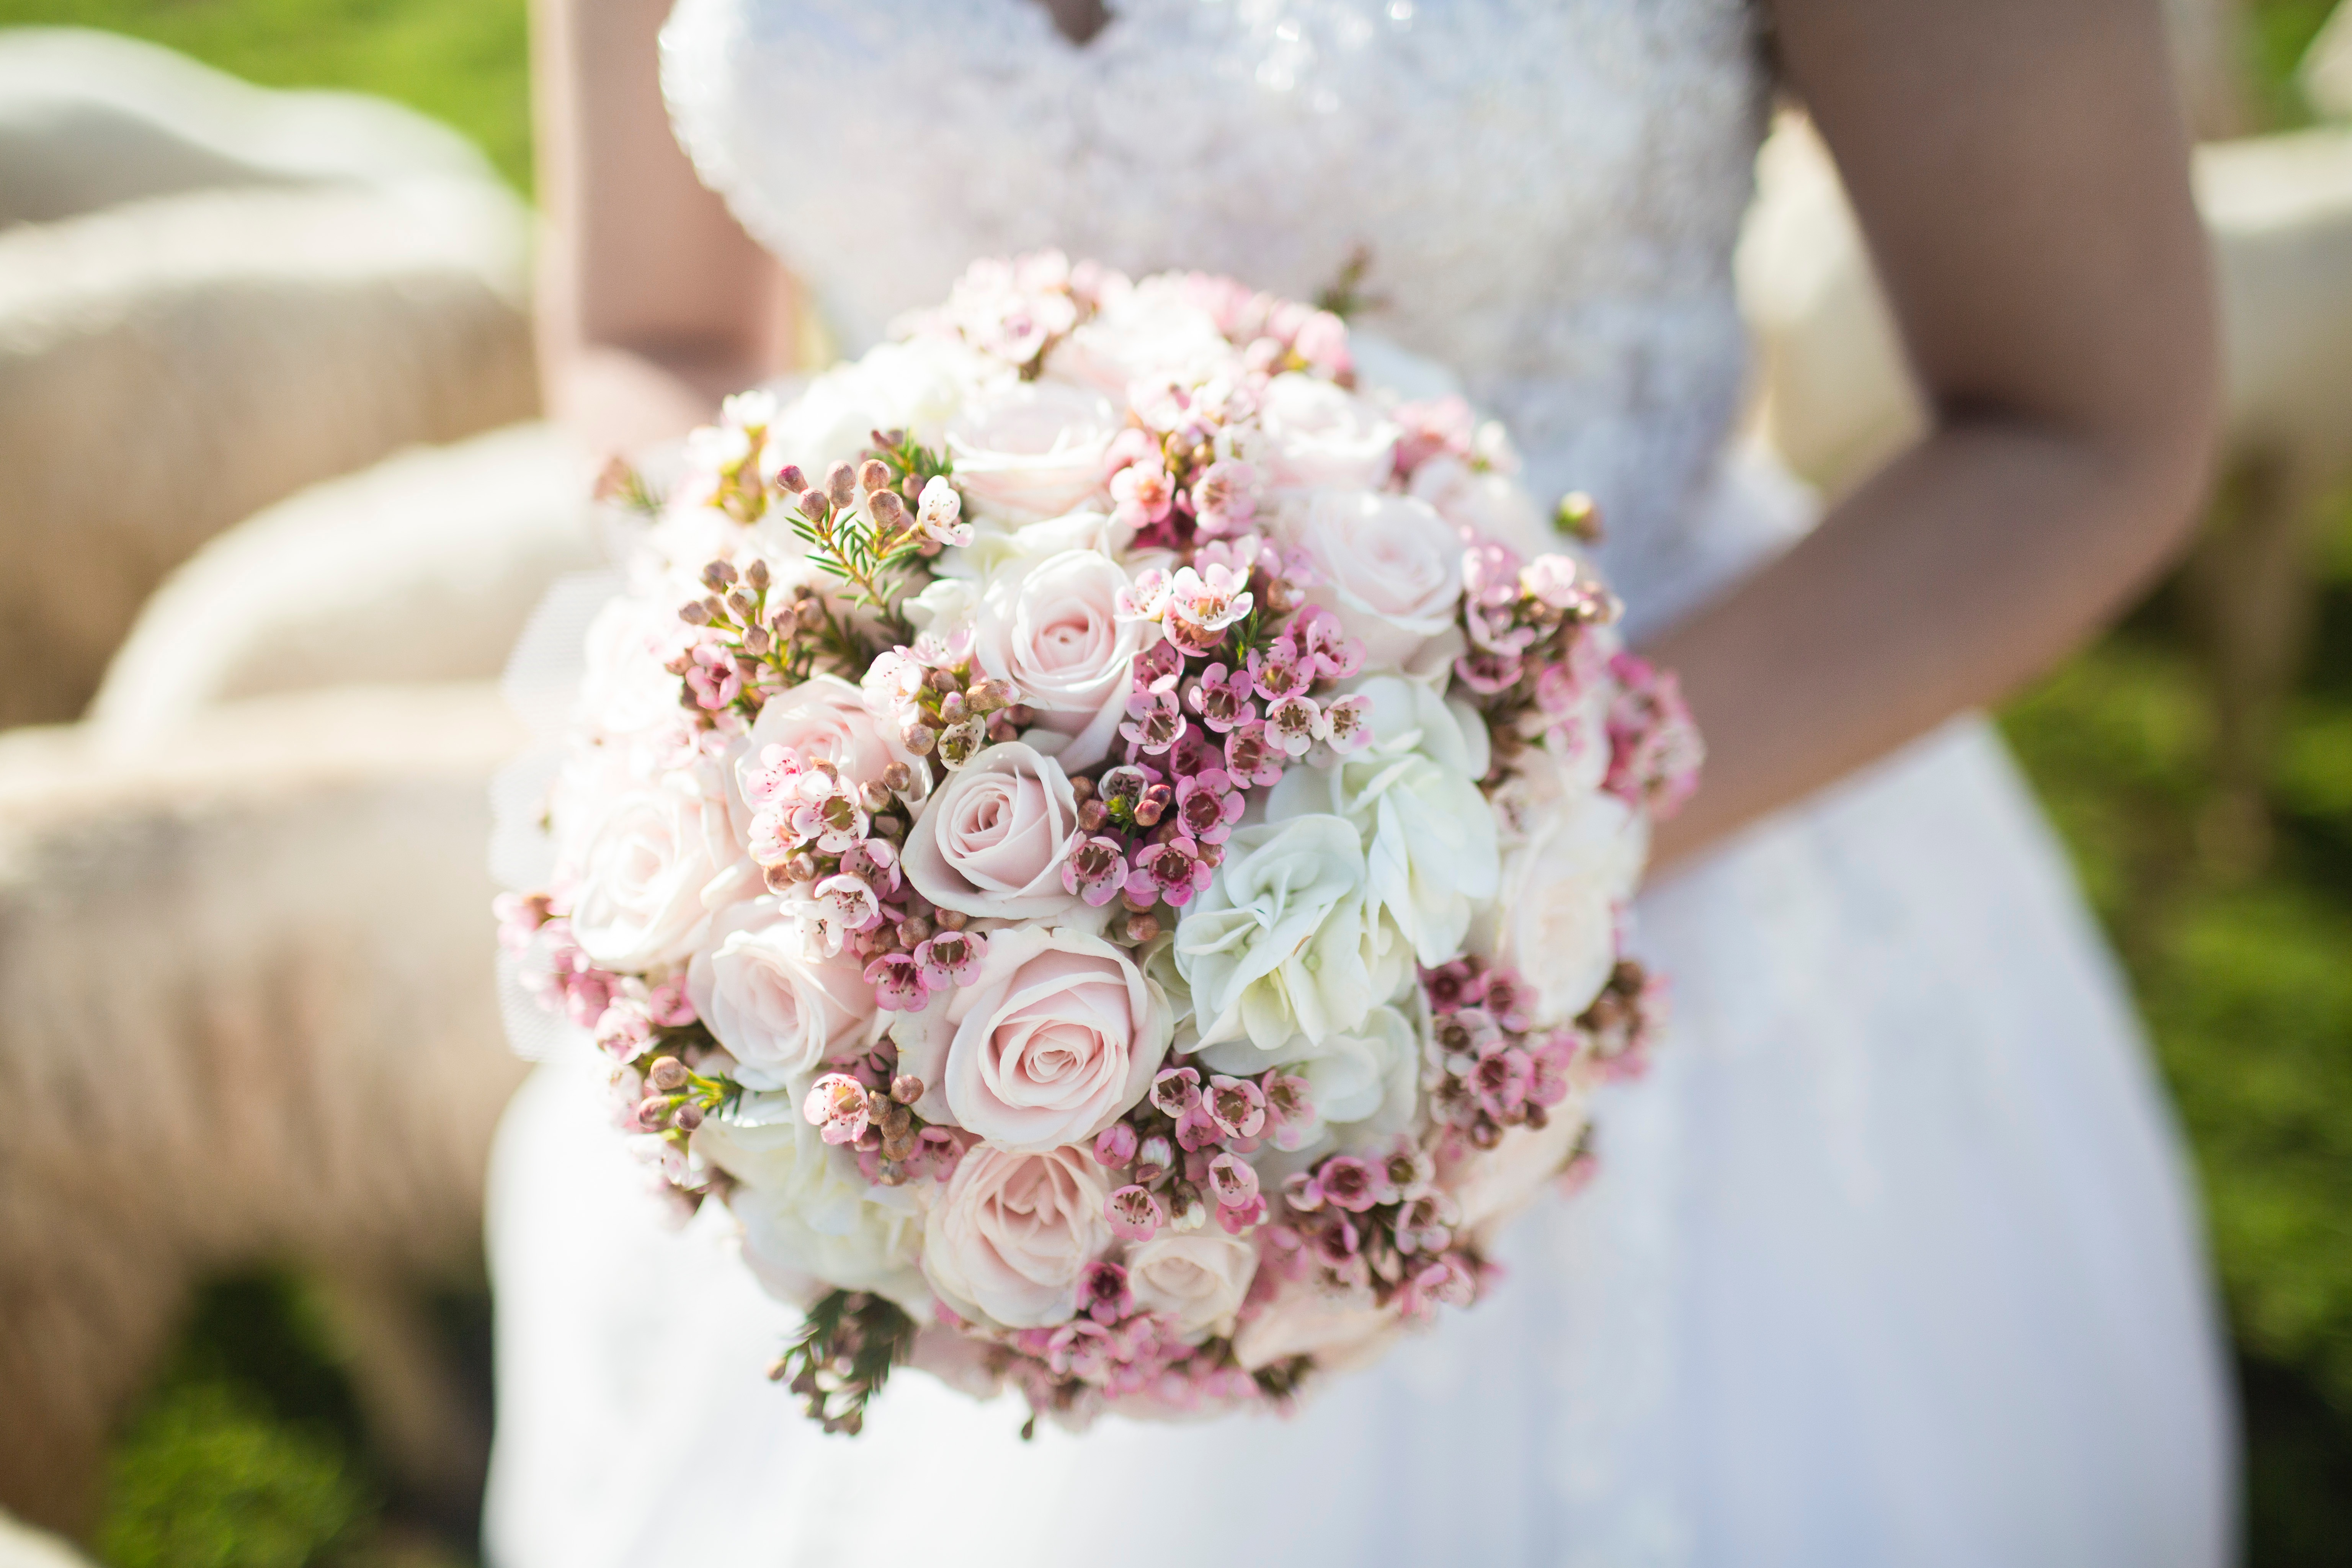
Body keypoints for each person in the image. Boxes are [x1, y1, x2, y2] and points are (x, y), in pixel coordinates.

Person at [485, 0, 2234, 1562]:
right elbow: (655, 328)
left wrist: (1509, 831)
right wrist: (787, 729)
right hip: (874, 949)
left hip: (1678, 845)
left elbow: (2080, 417)